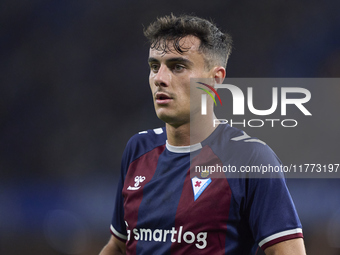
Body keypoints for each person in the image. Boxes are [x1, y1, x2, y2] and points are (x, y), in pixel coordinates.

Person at [99, 14, 306, 255]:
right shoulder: (138, 150)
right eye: (154, 67)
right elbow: (118, 245)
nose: (160, 79)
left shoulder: (250, 158)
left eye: (177, 66)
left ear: (214, 80)